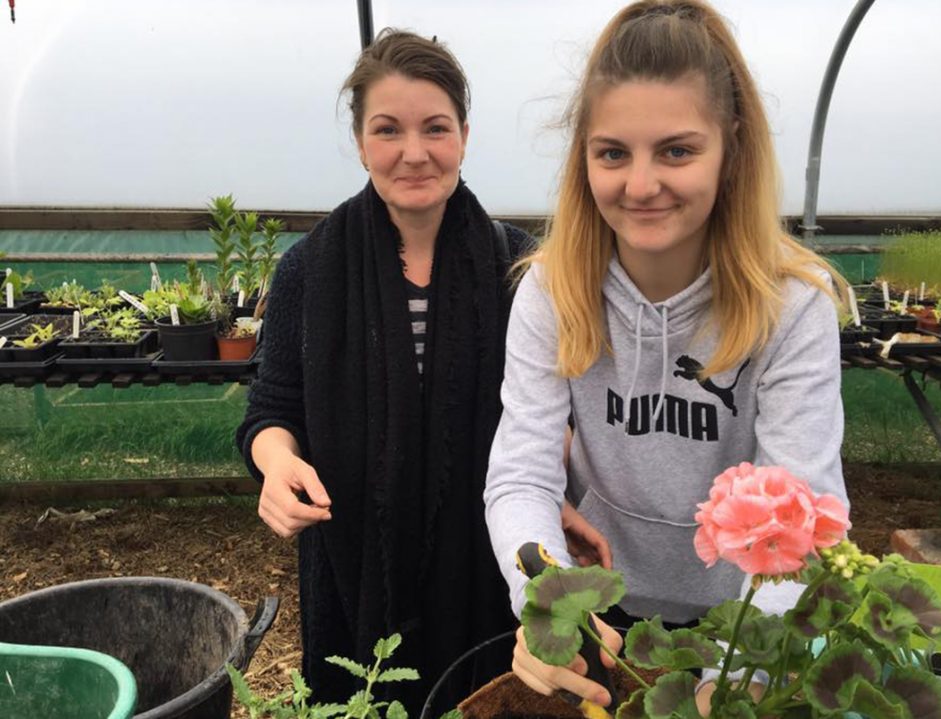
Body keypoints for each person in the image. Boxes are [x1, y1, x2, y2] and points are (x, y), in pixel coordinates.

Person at [483, 0, 850, 713]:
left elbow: (805, 512)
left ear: (731, 148)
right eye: (612, 152)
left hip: (746, 623)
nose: (641, 184)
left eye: (677, 150)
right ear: (582, 154)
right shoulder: (551, 293)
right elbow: (520, 473)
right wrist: (548, 603)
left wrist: (746, 668)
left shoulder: (792, 306)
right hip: (605, 615)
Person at [235, 29, 535, 710]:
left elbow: (553, 412)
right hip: (352, 568)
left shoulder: (517, 266)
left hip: (481, 565)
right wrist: (276, 463)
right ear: (361, 140)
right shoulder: (310, 268)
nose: (413, 152)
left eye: (435, 127)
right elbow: (271, 409)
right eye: (387, 129)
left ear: (464, 132)